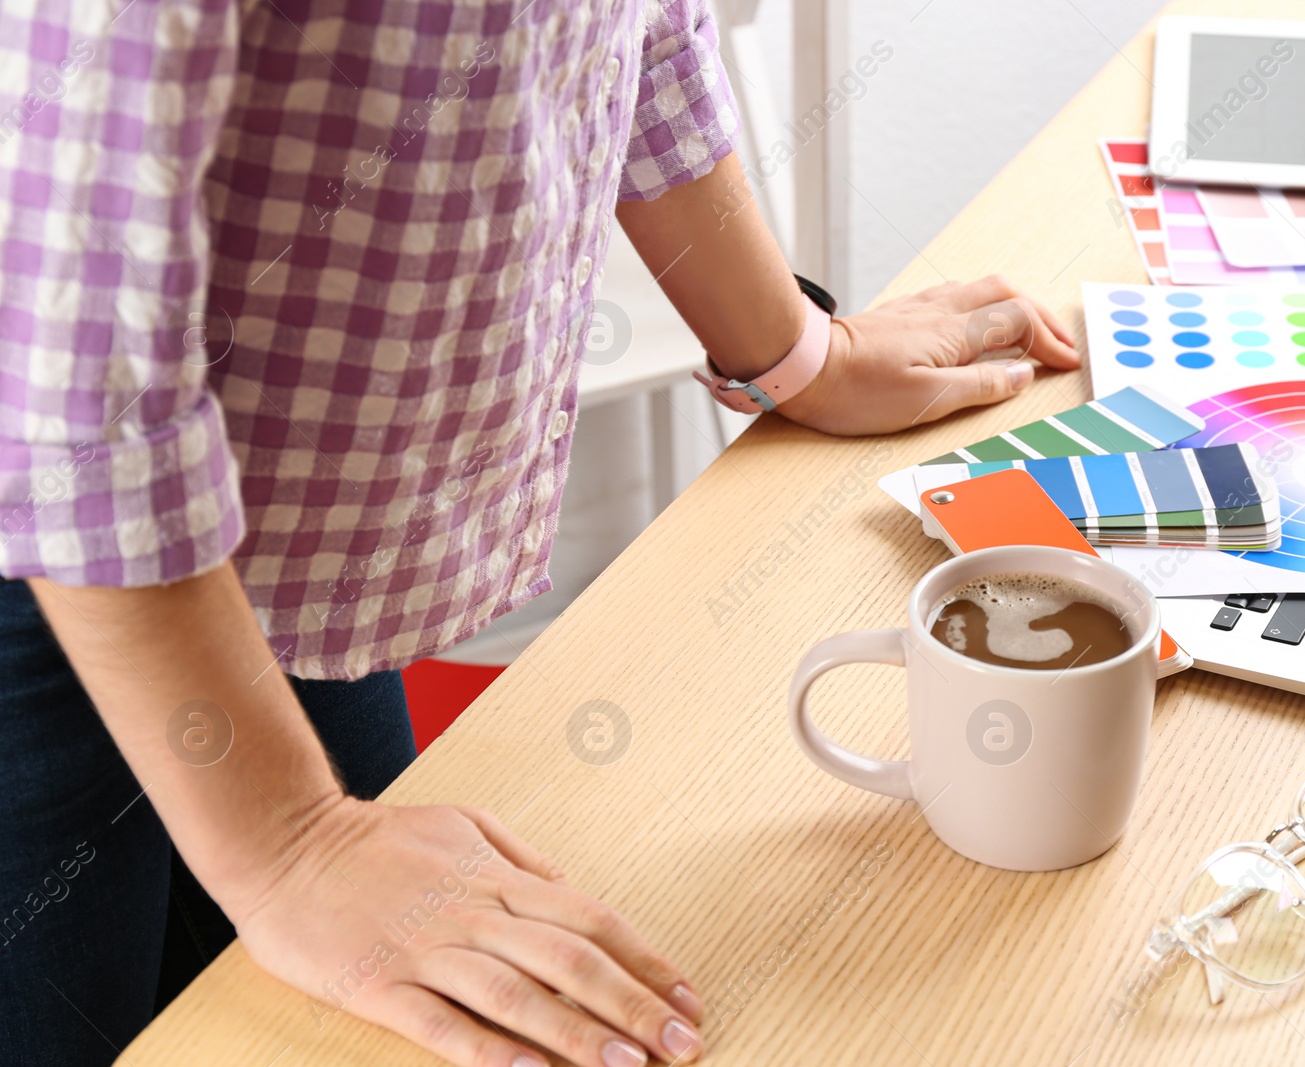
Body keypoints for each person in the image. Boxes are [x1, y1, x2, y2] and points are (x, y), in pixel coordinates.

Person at [0, 1, 1078, 1065]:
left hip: (285, 548)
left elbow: (630, 30)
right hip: (54, 561)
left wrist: (799, 353)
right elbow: (54, 387)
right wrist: (287, 844)